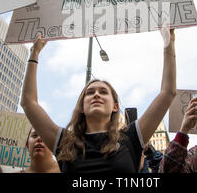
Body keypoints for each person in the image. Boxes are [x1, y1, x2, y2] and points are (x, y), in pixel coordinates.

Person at [21, 29, 177, 173]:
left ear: (115, 106)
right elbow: (28, 103)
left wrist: (168, 45)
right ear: (82, 106)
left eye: (103, 92)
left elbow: (167, 93)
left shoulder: (131, 137)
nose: (96, 95)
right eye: (90, 92)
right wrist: (34, 54)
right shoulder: (64, 141)